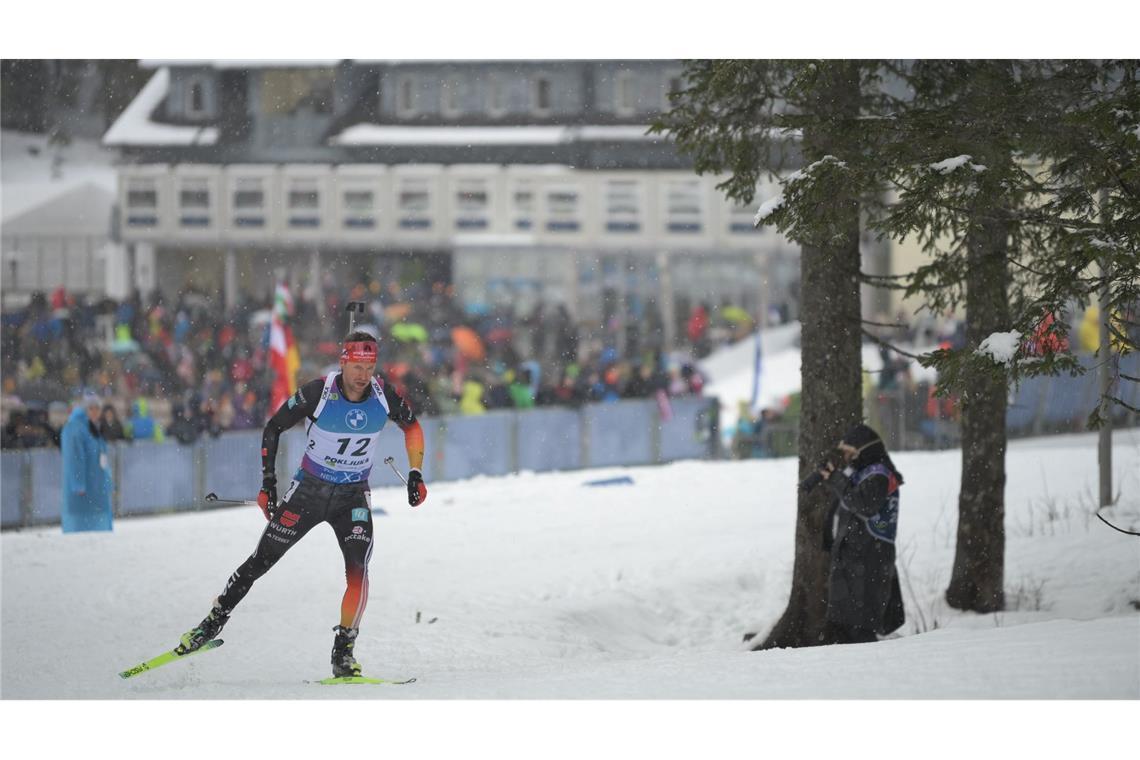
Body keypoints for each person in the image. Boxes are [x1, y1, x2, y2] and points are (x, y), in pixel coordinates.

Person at [176, 331, 428, 678]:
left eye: (369, 366)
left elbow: (412, 428)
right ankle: (212, 623)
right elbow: (273, 427)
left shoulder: (384, 397)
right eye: (356, 365)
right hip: (308, 491)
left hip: (352, 496)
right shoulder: (319, 392)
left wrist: (415, 473)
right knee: (261, 560)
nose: (363, 374)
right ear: (343, 362)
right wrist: (268, 483)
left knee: (358, 572)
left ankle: (344, 652)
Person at [818, 423, 905, 644]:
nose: (847, 458)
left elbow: (863, 505)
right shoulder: (859, 474)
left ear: (863, 450)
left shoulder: (879, 475)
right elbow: (845, 506)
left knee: (861, 627)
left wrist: (838, 480)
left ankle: (864, 672)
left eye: (850, 453)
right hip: (852, 560)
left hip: (869, 561)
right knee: (843, 624)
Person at [60, 392, 113, 533]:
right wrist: (78, 484)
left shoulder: (94, 428)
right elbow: (74, 458)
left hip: (96, 489)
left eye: (97, 408)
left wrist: (107, 481)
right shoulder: (75, 428)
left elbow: (102, 458)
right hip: (83, 493)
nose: (95, 412)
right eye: (91, 408)